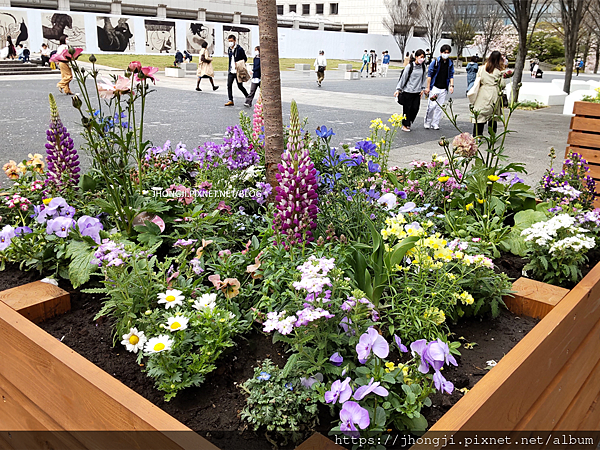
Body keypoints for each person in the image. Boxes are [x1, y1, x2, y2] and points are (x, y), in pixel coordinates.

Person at [470, 50, 512, 137]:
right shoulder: (500, 70)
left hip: (483, 91)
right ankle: (492, 134)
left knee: (480, 114)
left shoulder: (482, 68)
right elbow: (502, 85)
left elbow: (478, 79)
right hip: (494, 92)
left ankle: (477, 135)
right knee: (493, 114)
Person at [394, 49, 428, 132]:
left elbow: (423, 79)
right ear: (416, 57)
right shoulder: (410, 66)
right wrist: (398, 89)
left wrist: (423, 89)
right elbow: (403, 78)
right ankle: (405, 124)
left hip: (417, 92)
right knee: (407, 109)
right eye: (421, 57)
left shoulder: (423, 67)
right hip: (408, 91)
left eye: (423, 57)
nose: (422, 59)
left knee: (415, 108)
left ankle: (409, 121)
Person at [423, 44, 454, 130]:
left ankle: (435, 123)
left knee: (439, 107)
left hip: (443, 87)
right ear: (441, 52)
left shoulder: (450, 63)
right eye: (444, 52)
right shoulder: (436, 62)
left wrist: (451, 85)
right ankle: (427, 121)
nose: (446, 54)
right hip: (435, 86)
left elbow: (451, 75)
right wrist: (428, 87)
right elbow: (430, 75)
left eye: (448, 52)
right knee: (432, 106)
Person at [225, 34, 249, 106]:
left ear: (235, 41)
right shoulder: (229, 49)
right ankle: (230, 100)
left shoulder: (239, 49)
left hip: (238, 71)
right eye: (229, 41)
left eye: (231, 41)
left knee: (240, 86)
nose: (230, 42)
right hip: (231, 70)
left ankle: (248, 98)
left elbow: (245, 58)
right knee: (229, 85)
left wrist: (239, 63)